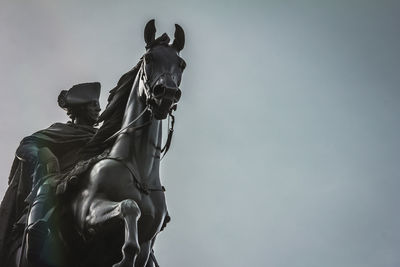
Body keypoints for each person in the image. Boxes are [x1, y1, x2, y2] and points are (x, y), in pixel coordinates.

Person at [0, 82, 101, 266]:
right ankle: (35, 235)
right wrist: (44, 155)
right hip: (59, 181)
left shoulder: (104, 136)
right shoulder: (62, 131)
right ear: (82, 107)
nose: (99, 108)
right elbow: (26, 145)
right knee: (48, 186)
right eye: (94, 104)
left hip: (91, 187)